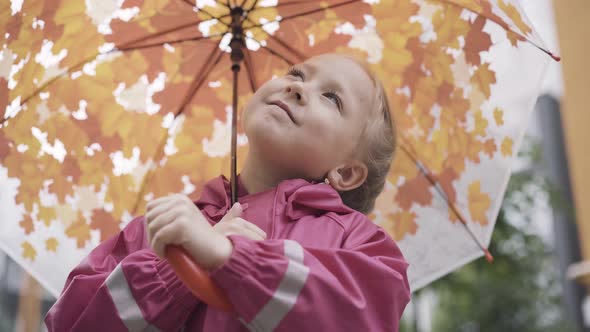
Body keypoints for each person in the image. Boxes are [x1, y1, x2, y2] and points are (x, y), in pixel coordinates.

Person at [45, 53, 411, 331]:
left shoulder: (358, 242)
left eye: (332, 98)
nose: (297, 87)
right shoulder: (164, 226)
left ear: (346, 172)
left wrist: (237, 258)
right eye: (297, 73)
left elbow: (363, 313)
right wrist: (175, 269)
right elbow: (73, 321)